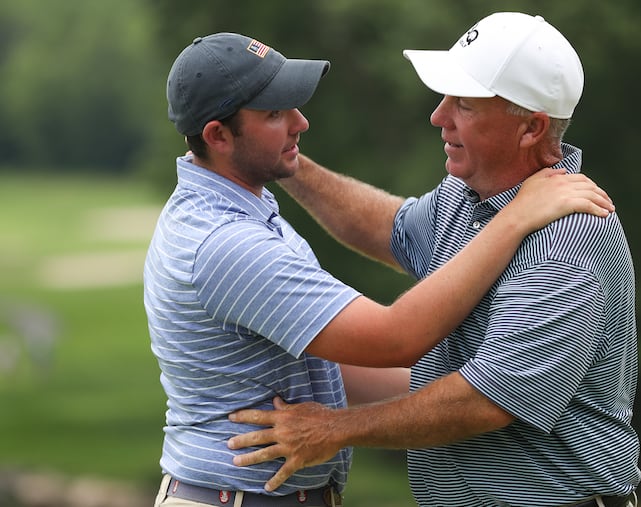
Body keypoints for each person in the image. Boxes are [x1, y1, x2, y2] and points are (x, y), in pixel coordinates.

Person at [146, 30, 614, 507]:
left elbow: (486, 400)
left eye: (464, 105)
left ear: (532, 128)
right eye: (273, 114)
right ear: (218, 137)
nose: (438, 116)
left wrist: (336, 429)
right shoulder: (230, 239)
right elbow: (392, 269)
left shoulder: (567, 237)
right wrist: (275, 159)